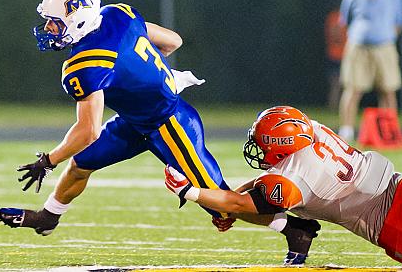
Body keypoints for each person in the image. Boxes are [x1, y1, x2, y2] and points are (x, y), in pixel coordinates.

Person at [0, 0, 319, 266]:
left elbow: (88, 130)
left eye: (53, 23)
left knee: (223, 205)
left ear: (78, 20)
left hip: (170, 123)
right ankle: (48, 217)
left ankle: (296, 230)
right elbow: (172, 42)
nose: (49, 29)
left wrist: (49, 160)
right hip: (135, 121)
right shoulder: (118, 14)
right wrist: (148, 73)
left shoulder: (85, 64)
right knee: (81, 165)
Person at [166, 106, 402, 264]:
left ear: (281, 147)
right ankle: (295, 230)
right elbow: (254, 190)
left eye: (262, 145)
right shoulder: (314, 130)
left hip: (390, 222)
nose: (258, 150)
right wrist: (230, 204)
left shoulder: (293, 180)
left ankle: (296, 230)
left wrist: (188, 191)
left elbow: (238, 203)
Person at [338, 0, 402, 141]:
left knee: (388, 90)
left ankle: (388, 132)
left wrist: (385, 35)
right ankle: (346, 130)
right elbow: (346, 21)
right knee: (352, 89)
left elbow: (398, 23)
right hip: (358, 47)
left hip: (384, 47)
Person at [324, 7, 347, 110]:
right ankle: (333, 107)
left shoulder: (333, 17)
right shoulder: (335, 17)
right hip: (337, 55)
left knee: (341, 85)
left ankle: (339, 108)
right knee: (336, 85)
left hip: (342, 55)